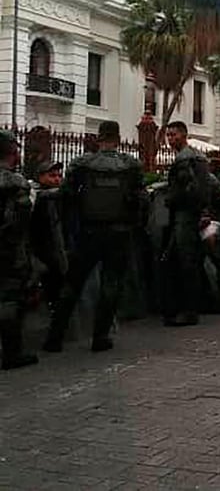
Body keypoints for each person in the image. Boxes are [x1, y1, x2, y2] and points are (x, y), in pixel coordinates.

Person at [44, 121, 145, 353]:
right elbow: (140, 200)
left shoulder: (82, 164)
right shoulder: (131, 166)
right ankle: (100, 337)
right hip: (118, 232)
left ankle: (54, 337)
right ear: (118, 139)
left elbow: (66, 196)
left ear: (99, 138)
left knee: (72, 283)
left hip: (88, 231)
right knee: (111, 284)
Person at [161, 121, 211, 327]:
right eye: (168, 135)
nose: (170, 139)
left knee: (184, 261)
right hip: (192, 214)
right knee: (186, 260)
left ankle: (187, 310)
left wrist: (170, 199)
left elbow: (187, 189)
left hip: (185, 215)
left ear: (184, 135)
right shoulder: (197, 157)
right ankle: (187, 308)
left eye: (174, 135)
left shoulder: (184, 159)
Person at [0, 130, 37, 370]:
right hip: (7, 251)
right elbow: (21, 223)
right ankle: (12, 353)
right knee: (10, 300)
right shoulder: (15, 183)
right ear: (13, 154)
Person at [29, 160, 67, 313]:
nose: (57, 179)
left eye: (59, 176)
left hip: (55, 247)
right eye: (52, 176)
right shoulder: (34, 195)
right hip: (39, 247)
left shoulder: (60, 196)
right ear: (40, 176)